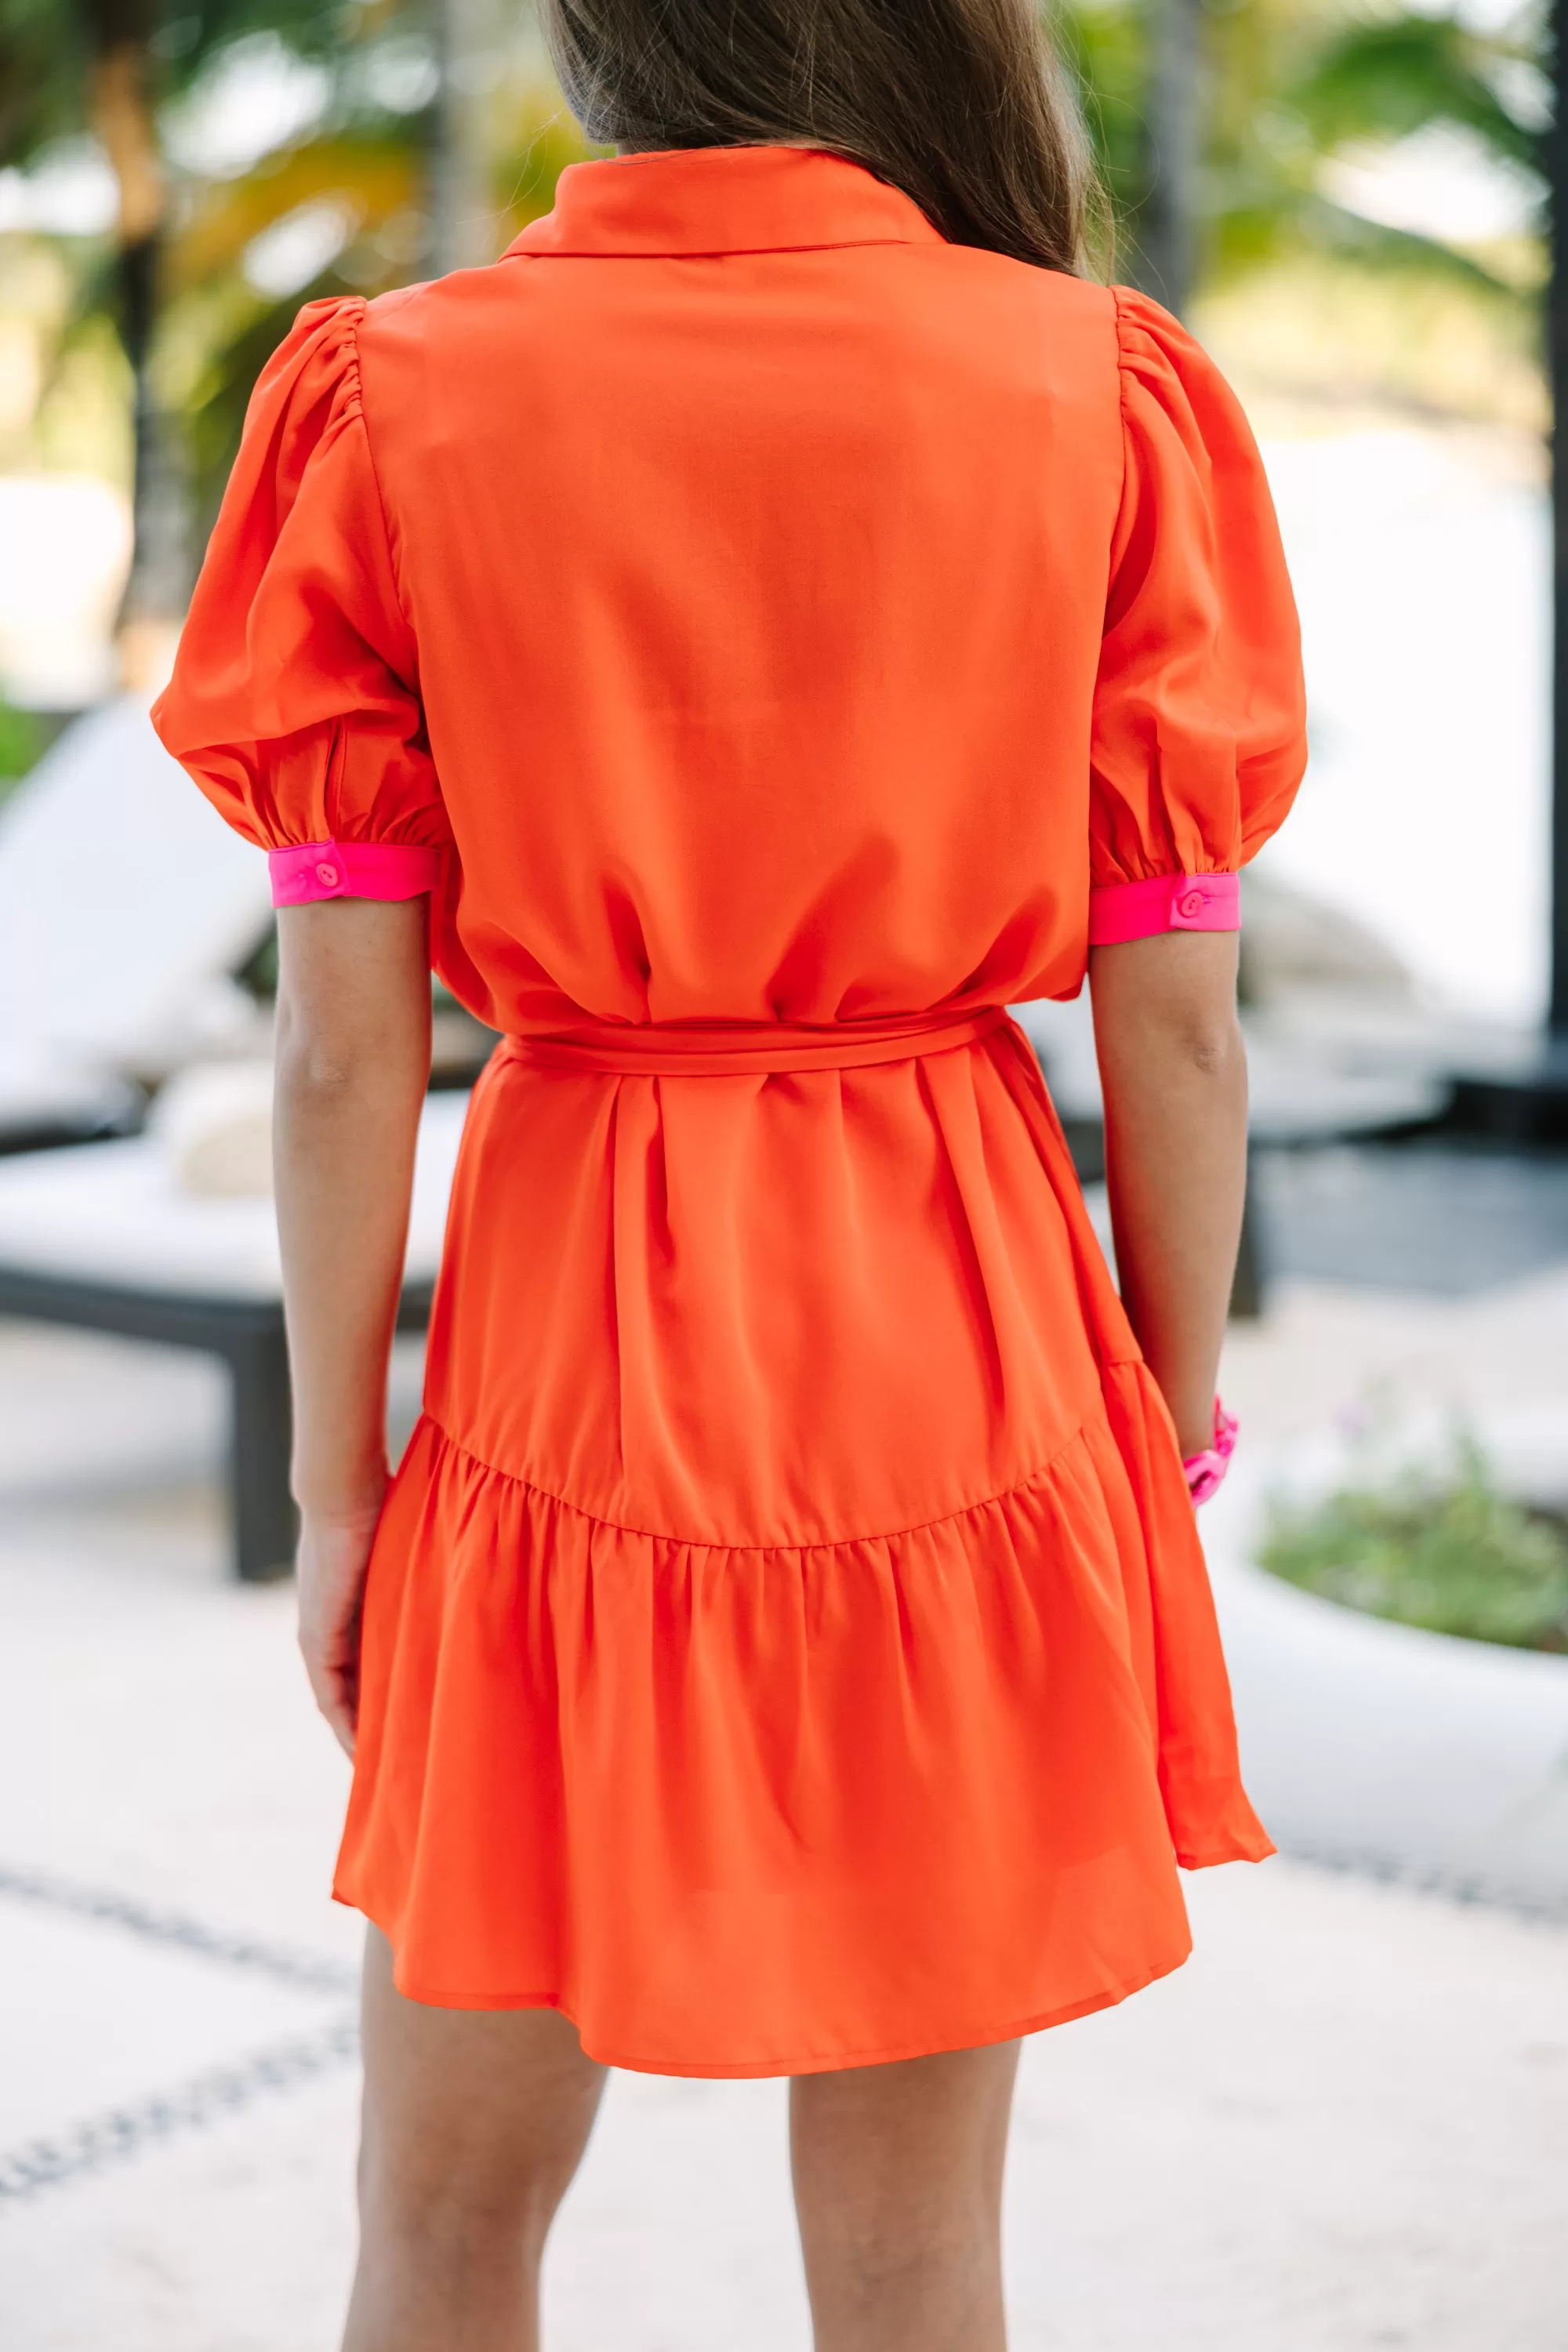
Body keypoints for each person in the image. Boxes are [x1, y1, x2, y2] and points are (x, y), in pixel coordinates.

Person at [152, 0, 1305, 2339]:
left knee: (444, 2213)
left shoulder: (392, 395)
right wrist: (1162, 1402)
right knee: (912, 2251)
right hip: (955, 1311)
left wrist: (337, 1492)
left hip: (573, 1327)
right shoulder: (1097, 386)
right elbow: (1176, 1007)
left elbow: (337, 1055)